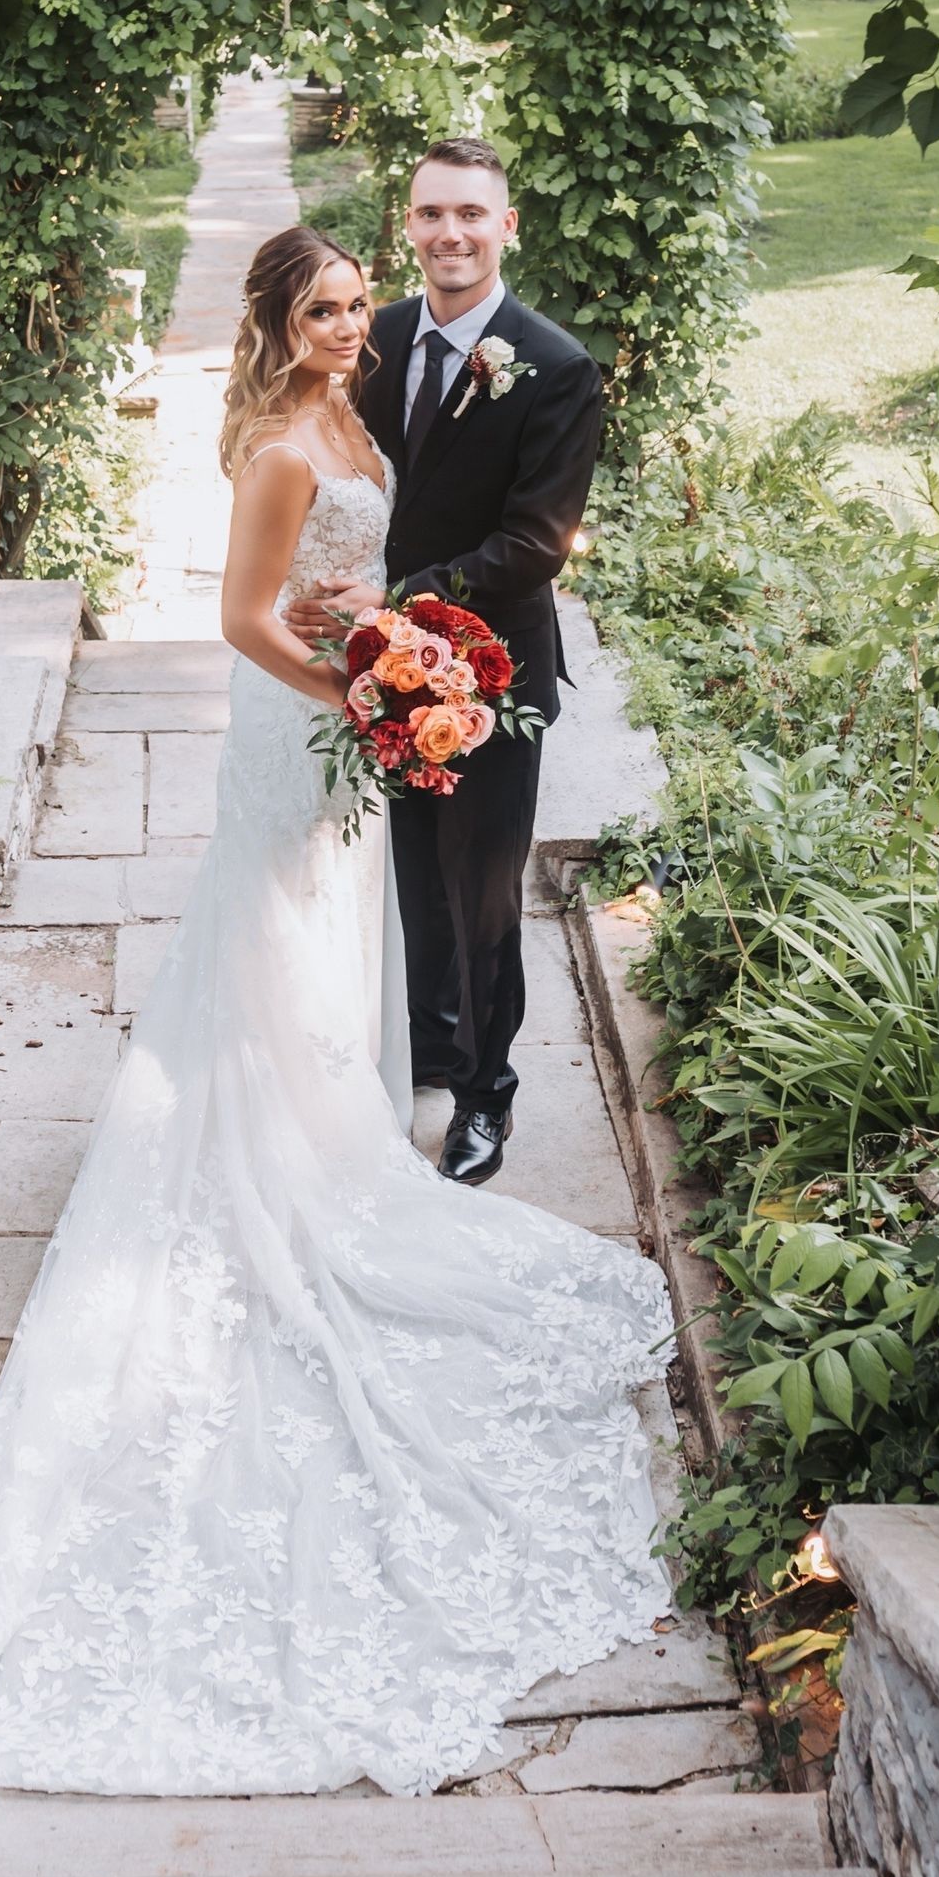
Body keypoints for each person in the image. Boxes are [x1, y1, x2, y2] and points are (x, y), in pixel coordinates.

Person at [0, 226, 669, 1798]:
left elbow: (373, 567)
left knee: (333, 948)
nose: (349, 321)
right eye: (322, 309)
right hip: (293, 735)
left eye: (355, 301)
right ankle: (278, 1158)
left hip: (348, 728)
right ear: (275, 324)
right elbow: (249, 618)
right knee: (271, 940)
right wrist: (369, 694)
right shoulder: (275, 446)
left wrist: (392, 650)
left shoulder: (360, 410)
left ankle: (335, 1129)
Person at [285, 139, 604, 1191]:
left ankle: (485, 1093)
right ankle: (419, 1047)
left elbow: (534, 544)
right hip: (374, 669)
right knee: (406, 869)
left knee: (481, 890)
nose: (450, 233)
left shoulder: (553, 367)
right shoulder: (366, 340)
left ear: (508, 226)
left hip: (489, 674)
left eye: (472, 213)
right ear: (408, 225)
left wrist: (401, 597)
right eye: (431, 214)